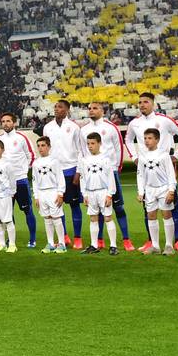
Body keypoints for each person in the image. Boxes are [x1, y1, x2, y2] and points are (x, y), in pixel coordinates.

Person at [126, 92, 178, 253]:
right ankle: (152, 242)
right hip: (147, 167)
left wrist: (176, 155)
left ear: (153, 103)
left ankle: (177, 241)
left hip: (164, 166)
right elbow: (127, 140)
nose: (142, 105)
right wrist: (134, 156)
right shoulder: (135, 124)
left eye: (146, 102)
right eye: (140, 102)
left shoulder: (164, 120)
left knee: (172, 206)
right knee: (149, 210)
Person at [80, 102, 133, 251]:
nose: (91, 110)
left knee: (118, 208)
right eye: (89, 108)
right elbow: (82, 151)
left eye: (95, 108)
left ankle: (125, 239)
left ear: (102, 111)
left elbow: (118, 148)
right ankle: (98, 242)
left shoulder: (111, 128)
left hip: (109, 173)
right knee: (95, 214)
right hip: (91, 178)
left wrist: (116, 168)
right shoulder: (83, 130)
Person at [42, 101, 84, 249]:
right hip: (54, 171)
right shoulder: (48, 127)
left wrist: (78, 172)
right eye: (55, 107)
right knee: (57, 205)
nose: (57, 109)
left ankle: (78, 237)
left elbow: (80, 150)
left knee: (74, 204)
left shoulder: (73, 127)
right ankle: (64, 236)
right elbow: (46, 149)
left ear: (67, 109)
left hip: (70, 169)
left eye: (60, 107)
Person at [134, 129, 177, 255]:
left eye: (150, 138)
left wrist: (171, 190)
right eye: (145, 138)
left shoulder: (163, 155)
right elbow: (140, 175)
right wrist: (141, 192)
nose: (147, 141)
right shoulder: (142, 156)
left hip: (163, 188)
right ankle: (155, 246)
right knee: (151, 216)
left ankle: (169, 246)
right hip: (150, 190)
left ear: (157, 140)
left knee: (166, 214)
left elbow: (170, 174)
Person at [0, 112, 37, 248]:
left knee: (27, 210)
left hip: (20, 180)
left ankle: (32, 239)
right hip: (5, 183)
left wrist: (24, 172)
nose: (5, 124)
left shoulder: (21, 138)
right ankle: (10, 240)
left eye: (8, 121)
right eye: (3, 121)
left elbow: (31, 155)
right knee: (8, 212)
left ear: (14, 123)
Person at [79, 133, 119, 255]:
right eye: (88, 144)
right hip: (90, 193)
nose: (90, 146)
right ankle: (94, 245)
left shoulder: (105, 159)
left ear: (99, 143)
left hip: (103, 192)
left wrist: (109, 194)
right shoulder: (84, 160)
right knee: (93, 218)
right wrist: (84, 194)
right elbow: (83, 178)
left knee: (107, 218)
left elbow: (110, 178)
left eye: (93, 143)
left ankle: (113, 246)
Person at [31, 137, 67, 254]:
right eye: (39, 146)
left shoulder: (54, 161)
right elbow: (35, 181)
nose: (41, 148)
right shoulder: (36, 163)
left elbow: (60, 178)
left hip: (53, 192)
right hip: (41, 193)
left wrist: (60, 193)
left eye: (43, 145)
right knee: (47, 218)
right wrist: (36, 196)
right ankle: (50, 243)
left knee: (56, 217)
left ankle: (61, 243)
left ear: (49, 147)